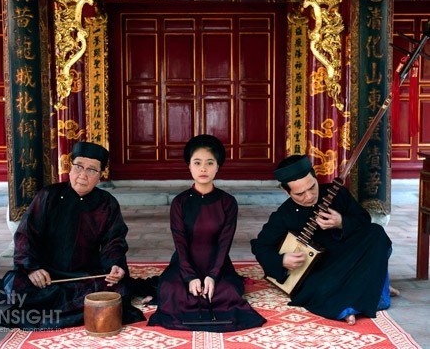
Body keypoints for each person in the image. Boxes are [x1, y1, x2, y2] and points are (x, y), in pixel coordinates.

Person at [0, 141, 145, 329]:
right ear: (70, 168)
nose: (83, 175)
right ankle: (70, 311)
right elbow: (25, 236)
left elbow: (114, 241)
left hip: (84, 276)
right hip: (46, 274)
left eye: (92, 170)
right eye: (78, 166)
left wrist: (115, 265)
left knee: (119, 289)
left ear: (100, 176)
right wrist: (32, 268)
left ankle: (52, 311)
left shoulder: (107, 203)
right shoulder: (48, 196)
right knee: (14, 287)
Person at [251, 154, 394, 325]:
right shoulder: (284, 215)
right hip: (320, 270)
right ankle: (359, 299)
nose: (309, 196)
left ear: (315, 177)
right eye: (300, 194)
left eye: (312, 187)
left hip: (345, 256)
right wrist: (281, 260)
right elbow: (260, 246)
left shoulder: (336, 193)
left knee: (375, 233)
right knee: (321, 288)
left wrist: (342, 222)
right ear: (286, 191)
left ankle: (370, 289)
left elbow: (363, 220)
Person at [147, 134, 266, 332]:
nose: (203, 168)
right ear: (189, 166)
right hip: (185, 262)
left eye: (210, 163)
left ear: (217, 166)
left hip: (216, 263)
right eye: (197, 162)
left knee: (228, 293)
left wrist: (212, 276)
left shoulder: (228, 202)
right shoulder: (180, 202)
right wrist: (189, 277)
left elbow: (224, 244)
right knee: (172, 291)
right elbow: (180, 243)